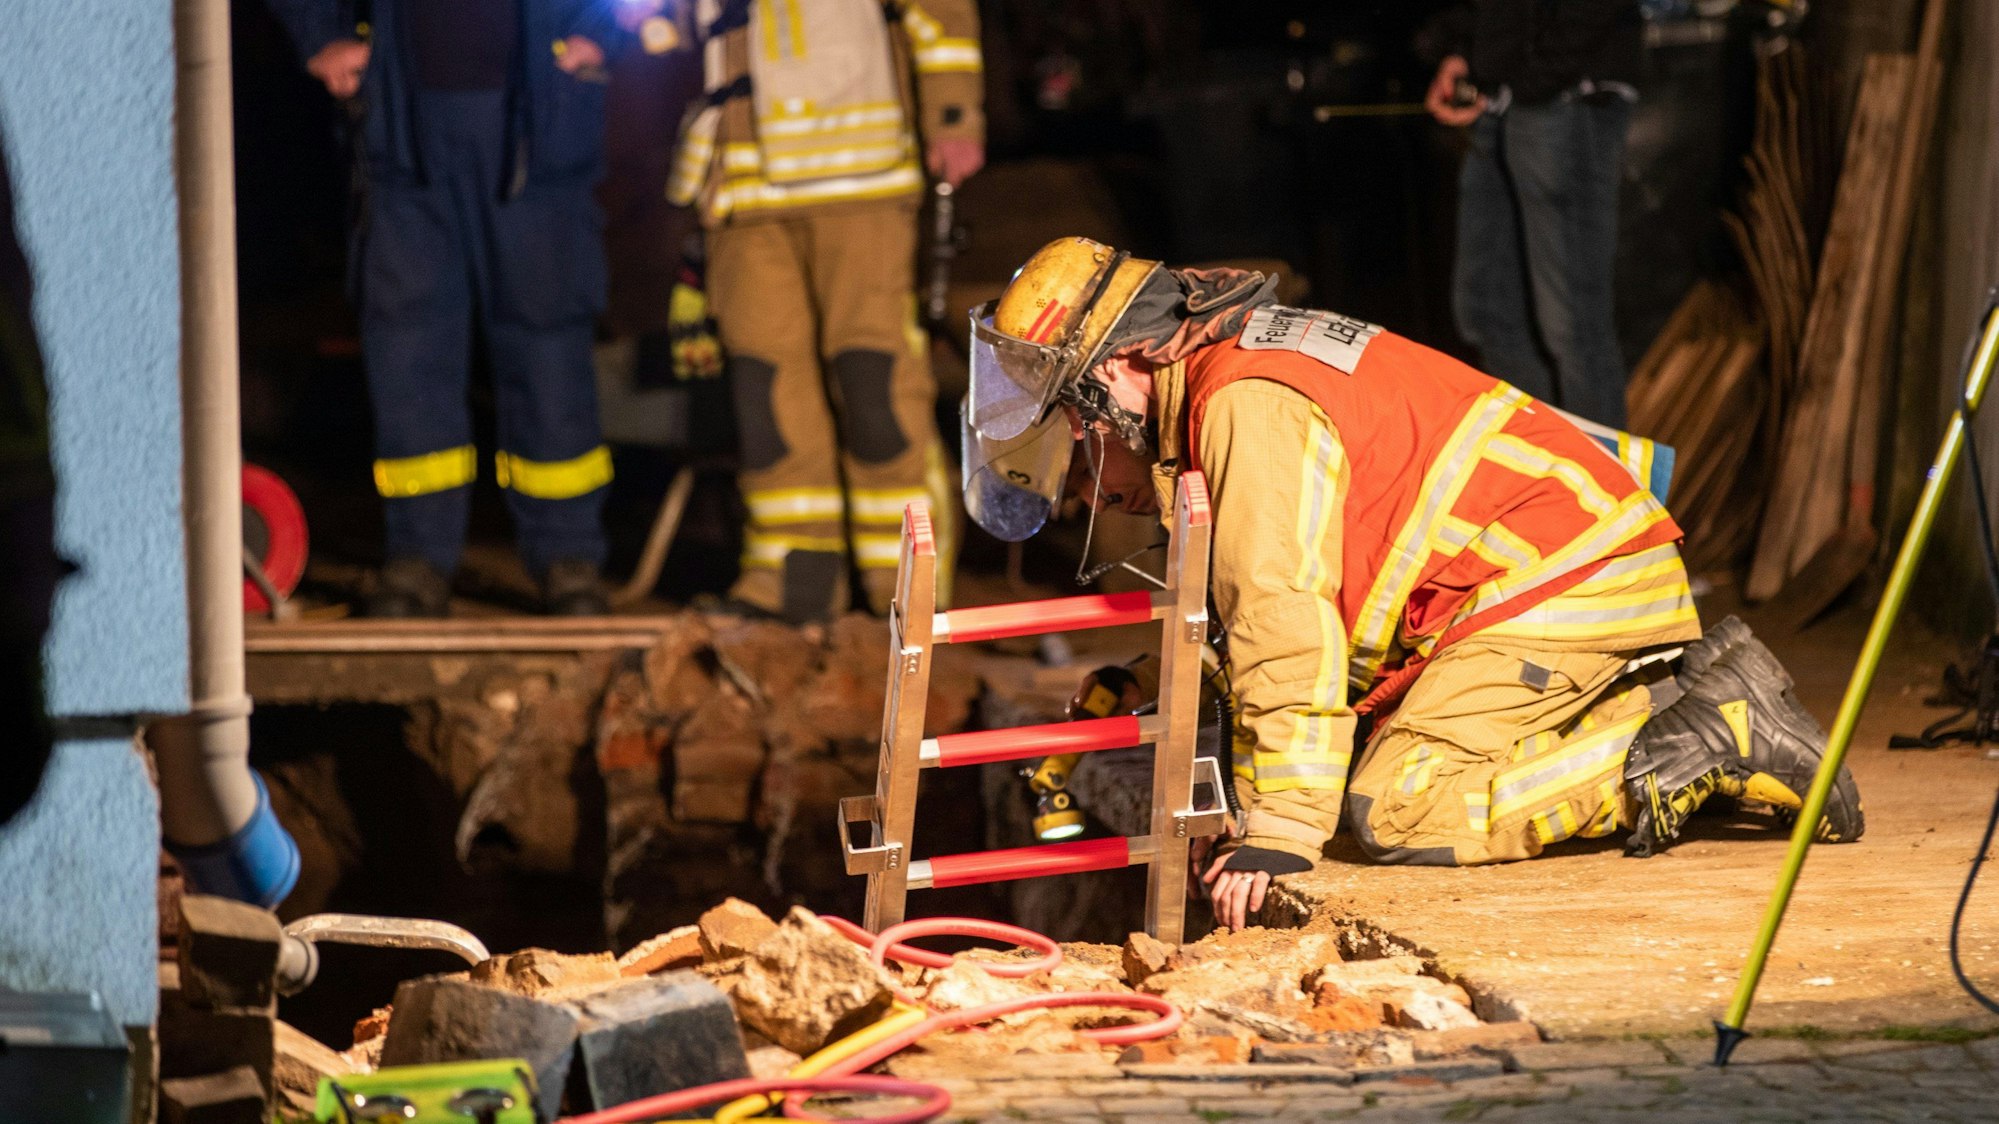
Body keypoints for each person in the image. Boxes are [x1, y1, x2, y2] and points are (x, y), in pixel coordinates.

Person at [963, 237, 1864, 931]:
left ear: (1122, 367)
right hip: (1542, 572)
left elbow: (1282, 613)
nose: (1087, 464)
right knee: (1359, 761)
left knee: (1395, 807)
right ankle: (1668, 714)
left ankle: (1706, 737)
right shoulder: (1225, 370)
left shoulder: (1242, 405)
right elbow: (1277, 607)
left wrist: (1279, 831)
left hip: (1555, 582)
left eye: (1080, 428)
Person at [268, 0, 624, 616]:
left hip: (539, 120)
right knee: (409, 350)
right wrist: (319, 35)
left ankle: (569, 558)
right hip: (402, 131)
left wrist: (601, 32)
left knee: (546, 350)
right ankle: (417, 559)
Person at [652, 0, 984, 624]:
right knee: (765, 393)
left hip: (862, 177)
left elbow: (939, 15)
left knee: (874, 387)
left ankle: (906, 587)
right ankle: (794, 582)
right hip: (741, 191)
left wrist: (953, 114)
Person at [1424, 0, 1643, 429]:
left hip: (1564, 92)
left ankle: (1602, 493)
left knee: (1573, 330)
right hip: (1504, 94)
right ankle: (1542, 481)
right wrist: (1467, 52)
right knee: (1487, 311)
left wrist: (1537, 71)